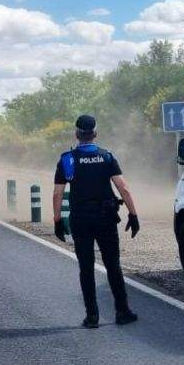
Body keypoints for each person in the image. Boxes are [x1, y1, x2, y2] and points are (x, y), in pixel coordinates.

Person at [52, 114, 140, 328]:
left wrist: (57, 220)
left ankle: (92, 317)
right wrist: (133, 214)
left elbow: (58, 194)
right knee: (113, 265)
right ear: (95, 134)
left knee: (86, 267)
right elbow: (123, 187)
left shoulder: (68, 159)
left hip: (80, 219)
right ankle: (122, 311)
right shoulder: (106, 156)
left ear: (76, 134)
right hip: (105, 218)